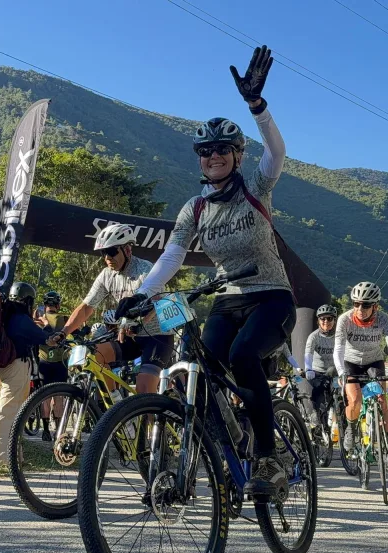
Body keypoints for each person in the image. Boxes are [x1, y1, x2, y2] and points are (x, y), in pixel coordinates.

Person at [114, 46, 294, 498]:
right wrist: (143, 294)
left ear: (236, 154)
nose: (213, 156)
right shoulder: (193, 209)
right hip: (227, 297)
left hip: (271, 294)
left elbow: (276, 152)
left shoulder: (255, 188)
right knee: (192, 368)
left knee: (242, 356)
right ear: (199, 159)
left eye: (222, 150)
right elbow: (171, 258)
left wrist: (258, 106)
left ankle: (270, 459)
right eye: (205, 151)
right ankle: (225, 442)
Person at [50, 224, 174, 395]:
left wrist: (137, 322)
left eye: (112, 251)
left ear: (127, 250)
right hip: (130, 337)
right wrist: (63, 332)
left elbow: (158, 301)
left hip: (157, 337)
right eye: (103, 253)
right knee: (95, 356)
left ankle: (147, 418)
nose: (107, 257)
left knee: (143, 388)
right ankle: (116, 406)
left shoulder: (145, 270)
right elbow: (86, 307)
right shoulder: (107, 275)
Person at [333, 281, 388, 472]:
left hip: (374, 362)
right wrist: (341, 371)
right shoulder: (345, 320)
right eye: (356, 303)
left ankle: (387, 448)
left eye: (365, 304)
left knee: (382, 402)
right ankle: (351, 428)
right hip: (351, 363)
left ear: (375, 306)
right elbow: (338, 349)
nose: (360, 308)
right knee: (354, 400)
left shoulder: (383, 319)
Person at [0, 281, 56, 466]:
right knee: (9, 413)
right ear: (27, 300)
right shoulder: (21, 318)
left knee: (8, 412)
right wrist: (50, 332)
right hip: (16, 367)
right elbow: (45, 339)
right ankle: (1, 459)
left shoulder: (4, 314)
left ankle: (15, 458)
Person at [35, 290, 68, 441]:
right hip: (60, 363)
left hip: (44, 362)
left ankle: (46, 430)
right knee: (59, 397)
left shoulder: (38, 319)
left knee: (45, 397)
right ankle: (59, 431)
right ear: (58, 305)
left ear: (45, 305)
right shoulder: (64, 319)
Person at [298, 305, 337, 428]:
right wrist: (308, 368)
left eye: (329, 318)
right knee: (318, 389)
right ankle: (315, 413)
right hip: (317, 371)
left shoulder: (338, 336)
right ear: (318, 321)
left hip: (334, 371)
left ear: (334, 320)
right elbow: (308, 353)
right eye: (323, 319)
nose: (326, 321)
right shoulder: (314, 336)